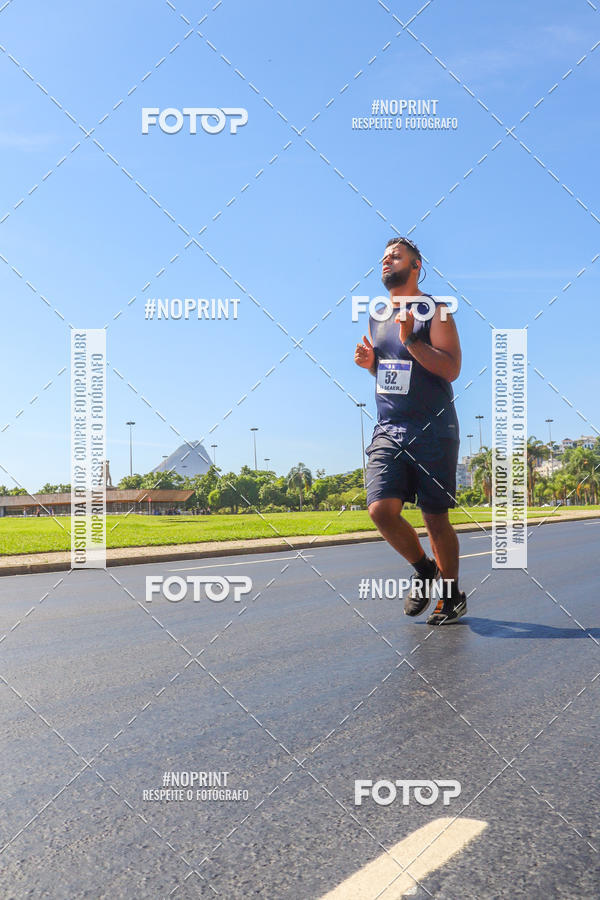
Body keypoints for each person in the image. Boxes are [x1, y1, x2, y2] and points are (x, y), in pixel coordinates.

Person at [354, 237, 467, 625]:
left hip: (433, 427)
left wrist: (412, 340)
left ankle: (451, 597)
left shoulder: (436, 311)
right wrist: (371, 365)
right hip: (389, 426)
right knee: (380, 510)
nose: (386, 260)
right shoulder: (378, 315)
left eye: (396, 256)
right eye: (384, 256)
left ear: (416, 266)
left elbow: (450, 368)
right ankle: (424, 569)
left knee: (435, 518)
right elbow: (391, 373)